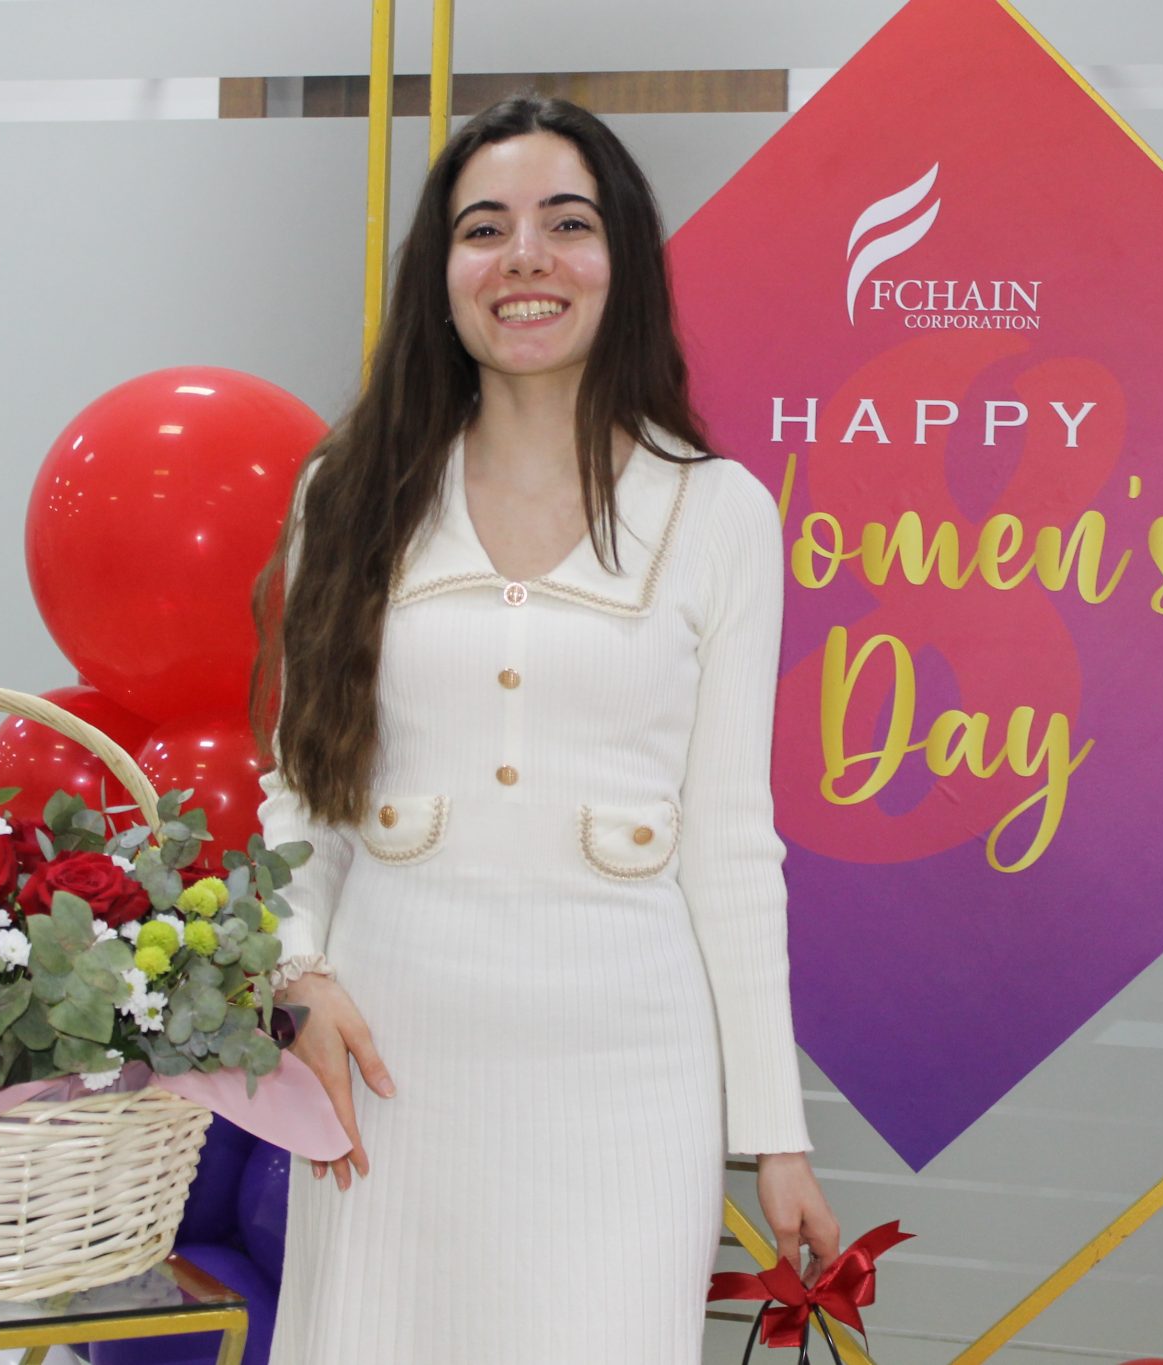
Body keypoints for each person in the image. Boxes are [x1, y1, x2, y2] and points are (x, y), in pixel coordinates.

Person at [251, 94, 838, 1365]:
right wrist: (295, 974)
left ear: (621, 263)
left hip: (628, 1072)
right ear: (441, 273)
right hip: (388, 1064)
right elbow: (303, 791)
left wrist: (774, 1137)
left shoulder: (720, 513)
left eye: (566, 224)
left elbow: (731, 842)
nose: (525, 258)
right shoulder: (346, 495)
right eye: (484, 229)